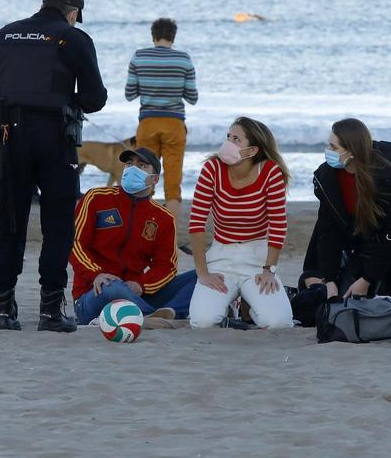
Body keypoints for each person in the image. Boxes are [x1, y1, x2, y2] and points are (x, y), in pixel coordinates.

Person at [0, 0, 107, 332]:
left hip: (12, 137)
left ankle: (2, 308)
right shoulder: (74, 38)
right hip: (55, 139)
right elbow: (95, 98)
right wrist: (70, 101)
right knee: (58, 225)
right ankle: (50, 311)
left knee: (10, 224)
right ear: (72, 13)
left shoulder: (6, 34)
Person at [70, 147, 197, 326]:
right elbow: (74, 244)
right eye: (129, 164)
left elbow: (166, 267)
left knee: (201, 277)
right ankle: (155, 317)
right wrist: (96, 274)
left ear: (155, 179)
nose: (132, 169)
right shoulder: (95, 198)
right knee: (111, 285)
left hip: (136, 293)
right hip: (95, 293)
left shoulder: (163, 218)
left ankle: (162, 314)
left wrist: (141, 284)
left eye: (141, 165)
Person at [187, 118, 293, 329]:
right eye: (228, 137)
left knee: (279, 323)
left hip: (256, 258)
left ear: (252, 150)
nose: (228, 143)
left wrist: (269, 270)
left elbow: (278, 225)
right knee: (202, 321)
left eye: (236, 139)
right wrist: (203, 273)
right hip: (221, 256)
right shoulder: (212, 168)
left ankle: (247, 304)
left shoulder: (270, 172)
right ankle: (232, 304)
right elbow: (197, 222)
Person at [300, 118, 391, 300]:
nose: (328, 151)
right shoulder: (326, 177)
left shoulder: (387, 177)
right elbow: (328, 231)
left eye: (334, 148)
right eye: (329, 145)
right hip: (357, 246)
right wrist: (330, 279)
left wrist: (367, 280)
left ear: (352, 151)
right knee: (343, 301)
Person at [125, 17, 199, 223]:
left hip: (147, 123)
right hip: (174, 124)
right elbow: (192, 98)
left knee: (142, 175)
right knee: (173, 182)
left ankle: (139, 225)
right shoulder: (184, 59)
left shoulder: (139, 57)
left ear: (153, 36)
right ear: (173, 37)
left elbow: (129, 94)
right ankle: (170, 232)